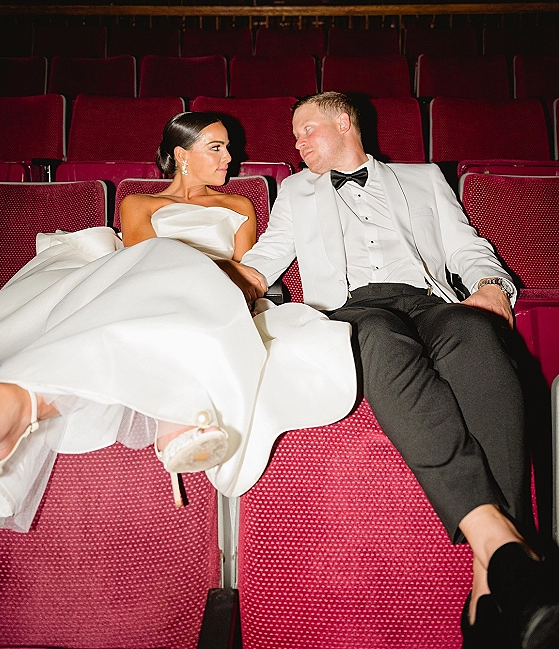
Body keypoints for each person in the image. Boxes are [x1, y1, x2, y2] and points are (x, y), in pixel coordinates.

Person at [219, 92, 559, 649]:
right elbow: (264, 260)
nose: (296, 143)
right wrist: (219, 286)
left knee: (478, 336)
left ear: (344, 122)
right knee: (376, 341)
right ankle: (508, 563)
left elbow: (466, 247)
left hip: (430, 302)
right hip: (355, 309)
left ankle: (490, 576)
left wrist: (493, 287)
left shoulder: (423, 177)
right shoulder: (296, 193)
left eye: (307, 129)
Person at [0, 111, 356, 531]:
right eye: (216, 147)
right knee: (161, 260)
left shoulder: (239, 206)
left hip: (216, 300)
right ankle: (175, 413)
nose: (230, 157)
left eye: (229, 147)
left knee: (185, 278)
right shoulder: (139, 203)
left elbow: (246, 273)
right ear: (181, 155)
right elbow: (138, 260)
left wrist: (224, 278)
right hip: (146, 287)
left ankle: (16, 406)